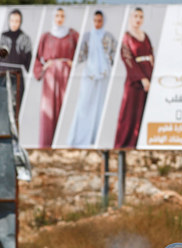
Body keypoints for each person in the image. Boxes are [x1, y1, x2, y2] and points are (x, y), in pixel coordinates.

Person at [66, 10, 116, 147]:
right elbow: (80, 55)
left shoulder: (109, 37)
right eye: (95, 21)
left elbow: (114, 55)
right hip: (89, 74)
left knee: (100, 106)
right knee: (84, 105)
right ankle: (79, 139)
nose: (97, 24)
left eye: (100, 21)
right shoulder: (87, 36)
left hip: (104, 75)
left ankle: (96, 139)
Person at [33, 7, 79, 147]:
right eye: (57, 15)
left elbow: (83, 52)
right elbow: (37, 58)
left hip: (66, 74)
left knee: (66, 106)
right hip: (51, 77)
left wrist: (74, 64)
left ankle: (67, 143)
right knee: (49, 108)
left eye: (62, 15)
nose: (59, 18)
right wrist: (43, 68)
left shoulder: (72, 35)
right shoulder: (46, 36)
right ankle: (47, 144)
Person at [114, 7, 154, 149]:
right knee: (130, 114)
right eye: (135, 16)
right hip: (134, 81)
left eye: (141, 16)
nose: (138, 19)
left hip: (148, 76)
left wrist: (151, 75)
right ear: (131, 18)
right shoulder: (127, 37)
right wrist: (141, 78)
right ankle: (124, 144)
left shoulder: (145, 36)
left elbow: (151, 55)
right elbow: (128, 59)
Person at [0, 9, 33, 102]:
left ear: (20, 22)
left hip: (17, 75)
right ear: (9, 21)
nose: (14, 23)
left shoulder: (25, 38)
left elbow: (29, 61)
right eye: (12, 20)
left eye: (17, 21)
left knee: (16, 102)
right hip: (1, 73)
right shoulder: (3, 37)